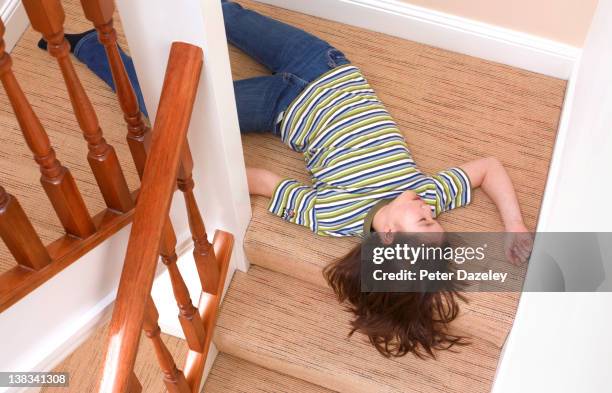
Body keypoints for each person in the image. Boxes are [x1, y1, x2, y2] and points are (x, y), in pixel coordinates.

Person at [39, 0, 533, 358]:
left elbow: (260, 181)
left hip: (281, 109)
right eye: (432, 219)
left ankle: (82, 45)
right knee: (221, 16)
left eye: (423, 222)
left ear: (387, 236)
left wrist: (189, 182)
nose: (429, 211)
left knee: (160, 109)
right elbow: (489, 166)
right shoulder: (428, 191)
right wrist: (513, 226)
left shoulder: (334, 218)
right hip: (322, 66)